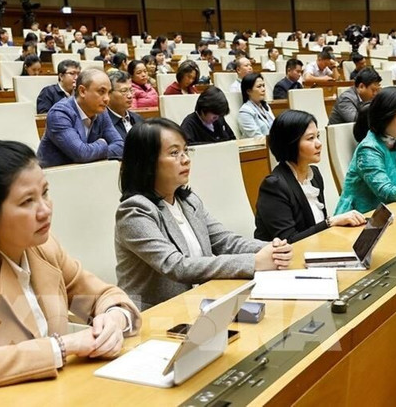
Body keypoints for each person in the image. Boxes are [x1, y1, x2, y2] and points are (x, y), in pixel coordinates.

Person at [0, 141, 141, 405]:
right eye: (27, 201)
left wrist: (114, 319)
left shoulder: (44, 249)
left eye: (45, 193)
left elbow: (100, 297)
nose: (45, 209)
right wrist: (64, 346)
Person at [114, 118, 293, 311]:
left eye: (186, 150)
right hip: (156, 316)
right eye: (174, 153)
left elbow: (226, 242)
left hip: (201, 303)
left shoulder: (189, 201)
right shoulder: (135, 211)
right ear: (146, 162)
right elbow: (177, 266)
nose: (185, 159)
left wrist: (273, 249)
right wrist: (254, 262)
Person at [255, 110, 366, 242]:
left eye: (318, 136)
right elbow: (289, 241)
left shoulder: (314, 175)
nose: (319, 143)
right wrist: (331, 222)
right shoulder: (274, 186)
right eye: (310, 138)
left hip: (316, 251)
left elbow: (316, 228)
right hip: (286, 259)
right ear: (290, 143)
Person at [37, 69, 124, 168]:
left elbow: (120, 145)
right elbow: (81, 154)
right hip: (55, 177)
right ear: (82, 91)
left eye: (109, 93)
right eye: (101, 92)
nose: (107, 99)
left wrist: (92, 152)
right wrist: (103, 143)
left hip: (90, 173)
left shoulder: (102, 112)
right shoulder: (59, 113)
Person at [106, 70, 143, 139]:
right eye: (124, 91)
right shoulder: (101, 123)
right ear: (108, 93)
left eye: (131, 90)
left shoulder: (138, 118)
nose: (130, 96)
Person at [237, 73, 274, 138]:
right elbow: (256, 137)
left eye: (263, 86)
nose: (263, 89)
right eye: (259, 86)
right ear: (248, 91)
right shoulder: (245, 112)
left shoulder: (265, 106)